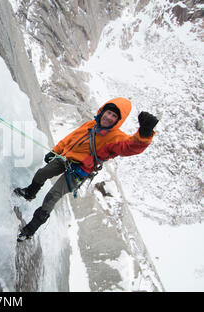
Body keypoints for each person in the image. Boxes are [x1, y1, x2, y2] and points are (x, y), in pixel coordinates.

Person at [14, 97, 159, 242]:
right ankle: (30, 193)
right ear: (102, 111)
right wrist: (55, 150)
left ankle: (30, 230)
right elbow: (71, 138)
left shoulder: (116, 138)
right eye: (108, 112)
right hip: (66, 158)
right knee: (42, 173)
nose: (109, 117)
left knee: (53, 195)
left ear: (118, 121)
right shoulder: (91, 124)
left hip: (79, 171)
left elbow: (130, 146)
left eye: (114, 116)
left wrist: (144, 134)